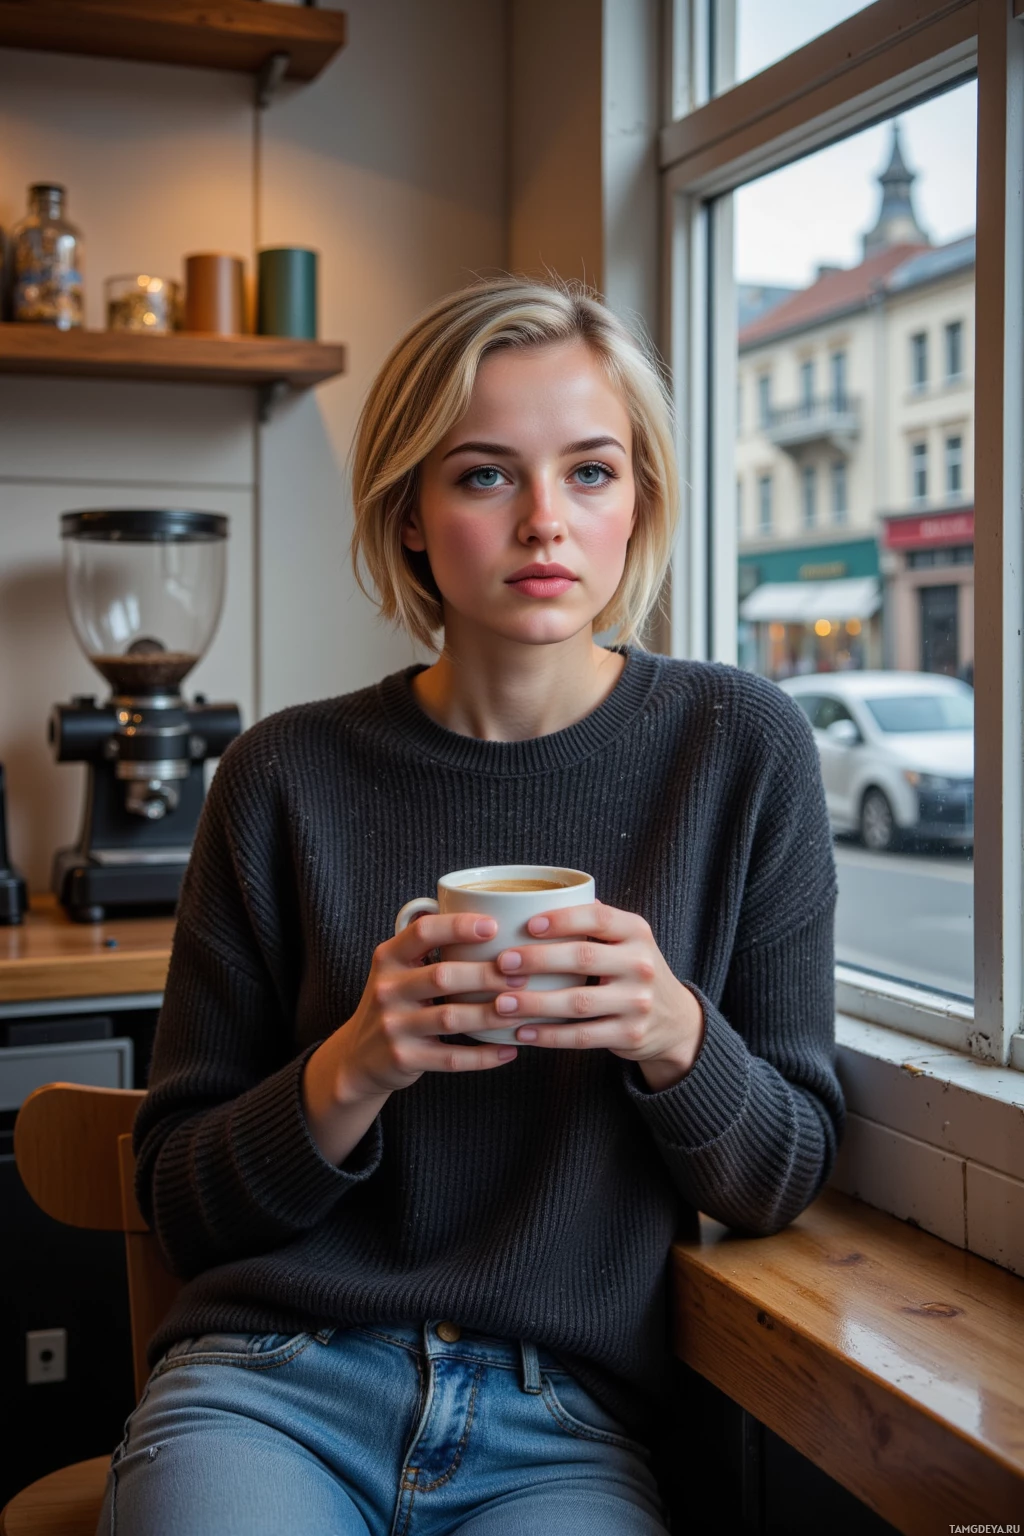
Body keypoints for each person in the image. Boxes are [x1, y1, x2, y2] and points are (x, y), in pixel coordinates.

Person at [99, 278, 843, 1536]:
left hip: (563, 1424)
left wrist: (673, 1032)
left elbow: (783, 1177)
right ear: (409, 514)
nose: (546, 520)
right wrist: (354, 1062)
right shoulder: (282, 774)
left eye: (591, 472)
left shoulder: (739, 747)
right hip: (271, 1385)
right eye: (486, 475)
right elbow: (180, 1203)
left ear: (640, 500)